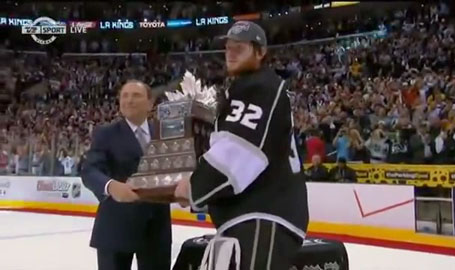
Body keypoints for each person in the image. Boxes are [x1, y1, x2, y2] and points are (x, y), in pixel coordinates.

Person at [174, 21, 309, 270]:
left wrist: (193, 188)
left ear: (261, 52)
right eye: (228, 47)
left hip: (262, 216)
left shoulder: (260, 87)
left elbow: (237, 155)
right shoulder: (246, 89)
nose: (231, 52)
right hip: (255, 217)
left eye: (241, 47)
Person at [81, 80, 171, 270]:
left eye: (136, 95)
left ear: (150, 103)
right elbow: (90, 170)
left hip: (156, 228)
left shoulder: (165, 133)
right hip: (116, 227)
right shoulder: (105, 133)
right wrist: (111, 186)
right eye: (124, 96)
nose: (129, 100)